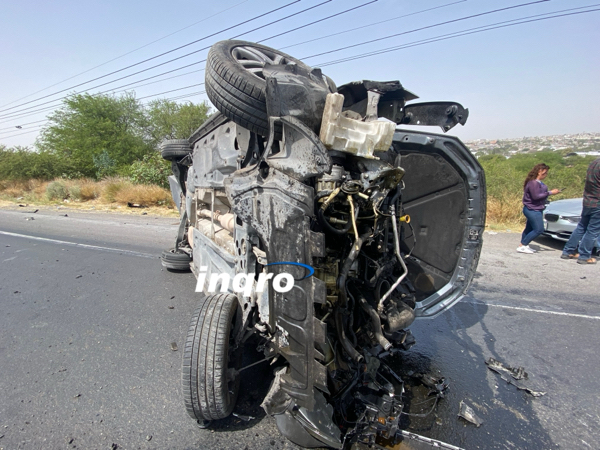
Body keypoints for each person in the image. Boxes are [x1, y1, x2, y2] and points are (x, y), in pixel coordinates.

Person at [561, 157, 600, 264]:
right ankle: (584, 256)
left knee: (581, 226)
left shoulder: (594, 163)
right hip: (598, 203)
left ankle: (568, 251)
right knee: (592, 231)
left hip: (588, 201)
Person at [517, 163, 560, 254]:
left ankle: (523, 245)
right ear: (540, 172)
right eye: (545, 173)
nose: (546, 175)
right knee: (539, 229)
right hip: (532, 209)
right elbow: (536, 196)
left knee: (529, 228)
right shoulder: (533, 183)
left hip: (535, 208)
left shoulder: (537, 182)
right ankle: (524, 244)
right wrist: (550, 193)